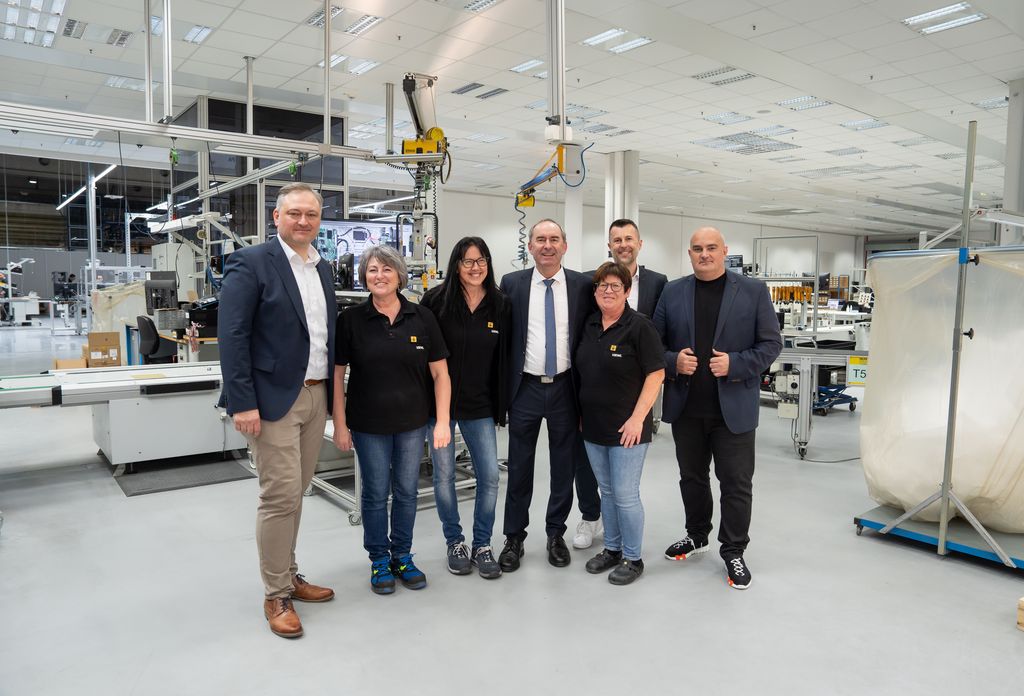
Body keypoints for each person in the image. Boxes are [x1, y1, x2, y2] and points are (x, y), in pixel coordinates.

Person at [218, 182, 338, 639]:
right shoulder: (250, 263)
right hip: (270, 400)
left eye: (311, 214)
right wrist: (242, 401)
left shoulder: (320, 267)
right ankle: (275, 594)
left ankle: (289, 574)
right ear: (276, 217)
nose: (303, 221)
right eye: (294, 214)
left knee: (298, 491)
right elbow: (232, 338)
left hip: (314, 395)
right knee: (278, 495)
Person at [653, 226, 782, 590]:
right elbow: (653, 344)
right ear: (690, 253)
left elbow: (772, 344)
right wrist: (673, 360)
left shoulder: (753, 292)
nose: (704, 254)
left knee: (736, 483)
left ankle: (734, 550)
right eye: (697, 249)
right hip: (687, 408)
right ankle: (697, 535)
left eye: (711, 248)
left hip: (734, 409)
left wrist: (736, 364)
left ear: (724, 251)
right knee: (691, 478)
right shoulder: (673, 291)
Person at [332, 245, 451, 595]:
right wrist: (340, 424)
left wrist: (441, 421)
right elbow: (337, 376)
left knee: (407, 492)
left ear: (400, 275)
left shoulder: (422, 317)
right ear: (363, 276)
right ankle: (379, 559)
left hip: (413, 423)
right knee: (373, 494)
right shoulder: (351, 320)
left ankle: (402, 555)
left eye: (386, 269)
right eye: (372, 270)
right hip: (368, 425)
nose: (379, 276)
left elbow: (441, 374)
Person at [497, 219, 594, 572]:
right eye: (541, 239)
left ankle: (556, 534)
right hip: (525, 389)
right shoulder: (513, 284)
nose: (548, 245)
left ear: (565, 246)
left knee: (562, 468)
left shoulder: (583, 286)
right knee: (519, 466)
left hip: (566, 388)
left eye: (554, 239)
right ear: (531, 246)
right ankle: (514, 538)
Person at [573, 218, 670, 550]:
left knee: (626, 495)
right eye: (603, 287)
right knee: (608, 492)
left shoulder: (640, 326)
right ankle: (612, 549)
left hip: (628, 425)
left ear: (628, 291)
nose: (608, 291)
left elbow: (656, 373)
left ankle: (632, 556)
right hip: (594, 426)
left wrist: (637, 418)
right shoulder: (588, 325)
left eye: (616, 287)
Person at [420, 237, 510, 580]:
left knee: (488, 475)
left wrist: (504, 405)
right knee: (443, 476)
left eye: (481, 260)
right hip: (439, 408)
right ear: (456, 264)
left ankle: (482, 543)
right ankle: (454, 541)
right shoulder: (436, 301)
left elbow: (505, 357)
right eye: (468, 261)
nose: (475, 267)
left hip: (481, 406)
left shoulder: (501, 305)